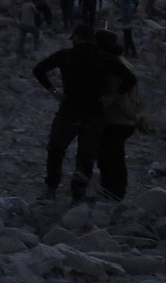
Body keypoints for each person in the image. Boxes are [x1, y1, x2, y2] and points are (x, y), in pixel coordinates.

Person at [32, 24, 134, 203]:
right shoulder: (105, 57)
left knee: (56, 150)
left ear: (77, 38)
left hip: (68, 112)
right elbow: (130, 79)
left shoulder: (65, 55)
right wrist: (112, 96)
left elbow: (38, 70)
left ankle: (51, 188)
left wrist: (53, 91)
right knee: (85, 157)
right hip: (94, 114)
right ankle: (77, 195)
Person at [93, 30, 143, 201]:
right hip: (122, 120)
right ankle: (112, 192)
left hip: (117, 120)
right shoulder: (124, 62)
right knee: (112, 157)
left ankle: (114, 194)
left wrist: (134, 118)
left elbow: (120, 98)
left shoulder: (114, 67)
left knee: (111, 159)